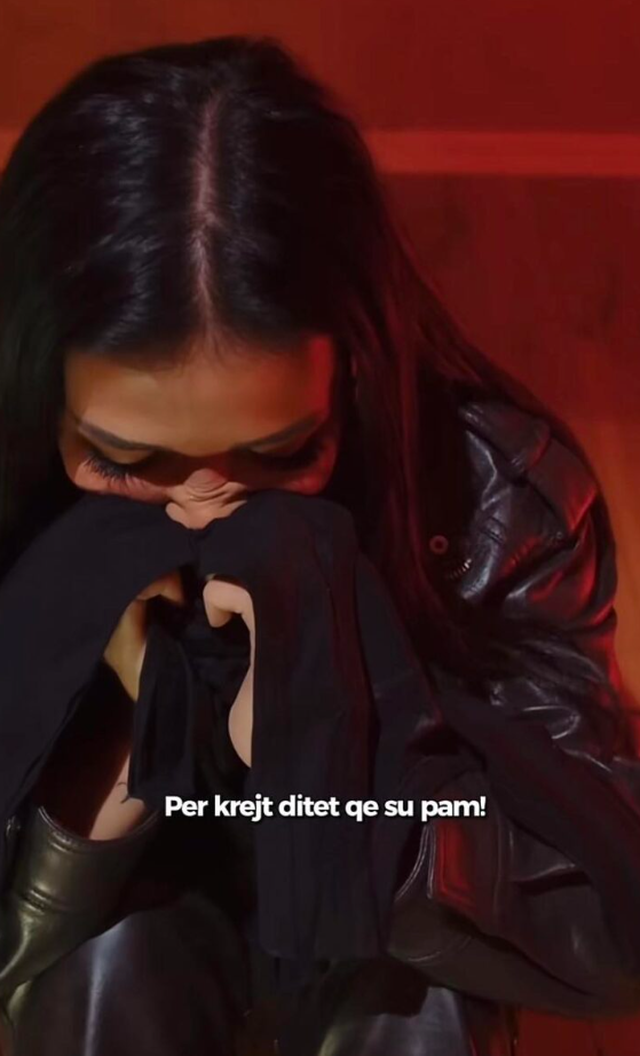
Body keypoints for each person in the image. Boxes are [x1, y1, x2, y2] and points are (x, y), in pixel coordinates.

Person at [0, 34, 639, 1056]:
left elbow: (611, 925)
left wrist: (339, 773)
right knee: (105, 959)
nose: (203, 505)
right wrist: (107, 748)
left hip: (386, 966)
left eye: (278, 453)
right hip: (136, 942)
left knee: (421, 1001)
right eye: (125, 459)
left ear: (355, 374)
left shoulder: (492, 504)